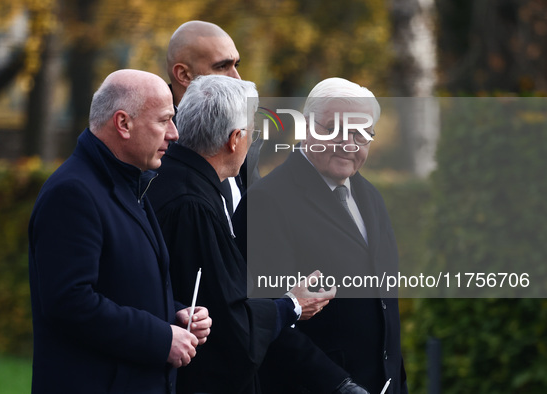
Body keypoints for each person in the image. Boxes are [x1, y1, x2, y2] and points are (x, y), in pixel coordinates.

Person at [151, 75, 366, 394]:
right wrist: (292, 304)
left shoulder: (175, 182)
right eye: (252, 132)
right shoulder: (192, 204)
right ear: (235, 139)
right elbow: (229, 321)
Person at [28, 69, 211, 394]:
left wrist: (175, 313)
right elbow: (69, 303)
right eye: (163, 120)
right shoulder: (73, 192)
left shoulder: (128, 182)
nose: (174, 133)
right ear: (123, 123)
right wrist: (160, 338)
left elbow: (121, 287)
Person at [235, 78, 408, 393]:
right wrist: (339, 386)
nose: (348, 144)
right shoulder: (267, 201)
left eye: (359, 133)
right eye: (335, 130)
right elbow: (264, 318)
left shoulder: (370, 196)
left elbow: (386, 308)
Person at [166, 20, 262, 215]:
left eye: (236, 64)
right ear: (183, 74)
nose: (237, 78)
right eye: (222, 67)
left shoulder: (241, 126)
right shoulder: (154, 143)